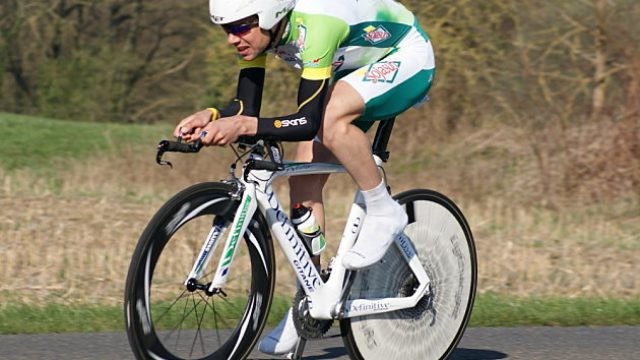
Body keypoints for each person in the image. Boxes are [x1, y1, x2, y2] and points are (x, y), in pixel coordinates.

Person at [174, 0, 435, 355]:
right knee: (303, 183)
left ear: (269, 15)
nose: (231, 39)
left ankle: (382, 208)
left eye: (239, 27)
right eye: (226, 29)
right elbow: (246, 108)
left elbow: (306, 121)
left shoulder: (317, 24)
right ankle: (311, 300)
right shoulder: (260, 35)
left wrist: (245, 125)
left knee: (329, 121)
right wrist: (213, 114)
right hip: (358, 68)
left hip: (406, 55)